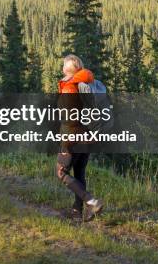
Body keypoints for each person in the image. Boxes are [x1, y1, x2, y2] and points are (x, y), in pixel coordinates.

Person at [56, 54, 103, 221]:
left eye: (63, 67)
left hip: (73, 136)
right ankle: (77, 211)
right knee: (79, 172)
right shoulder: (88, 84)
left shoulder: (70, 86)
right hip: (89, 136)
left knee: (62, 172)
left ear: (66, 70)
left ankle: (92, 201)